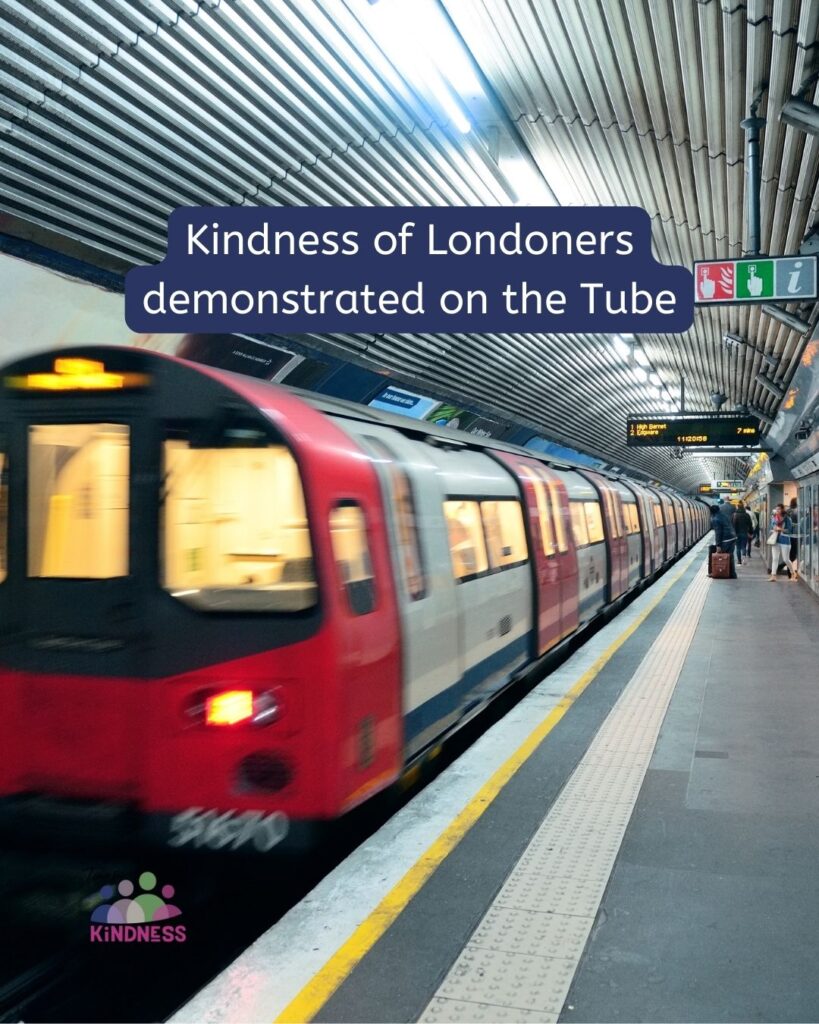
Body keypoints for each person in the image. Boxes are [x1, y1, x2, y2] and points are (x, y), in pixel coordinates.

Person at [768, 503, 796, 581]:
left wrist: (781, 529)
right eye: (776, 509)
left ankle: (793, 573)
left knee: (786, 559)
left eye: (779, 509)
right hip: (776, 540)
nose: (777, 511)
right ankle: (773, 575)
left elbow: (790, 530)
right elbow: (771, 527)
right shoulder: (774, 518)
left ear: (783, 510)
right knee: (775, 558)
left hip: (785, 541)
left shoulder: (787, 518)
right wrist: (774, 528)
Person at [712, 501, 738, 577]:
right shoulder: (724, 515)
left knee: (722, 556)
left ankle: (721, 572)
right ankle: (732, 574)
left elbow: (718, 533)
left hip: (726, 539)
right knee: (730, 556)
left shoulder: (716, 519)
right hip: (732, 537)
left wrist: (718, 545)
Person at [788, 497, 800, 579]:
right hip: (796, 536)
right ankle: (794, 572)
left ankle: (790, 572)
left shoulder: (788, 511)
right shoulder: (797, 512)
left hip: (789, 536)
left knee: (790, 555)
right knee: (794, 555)